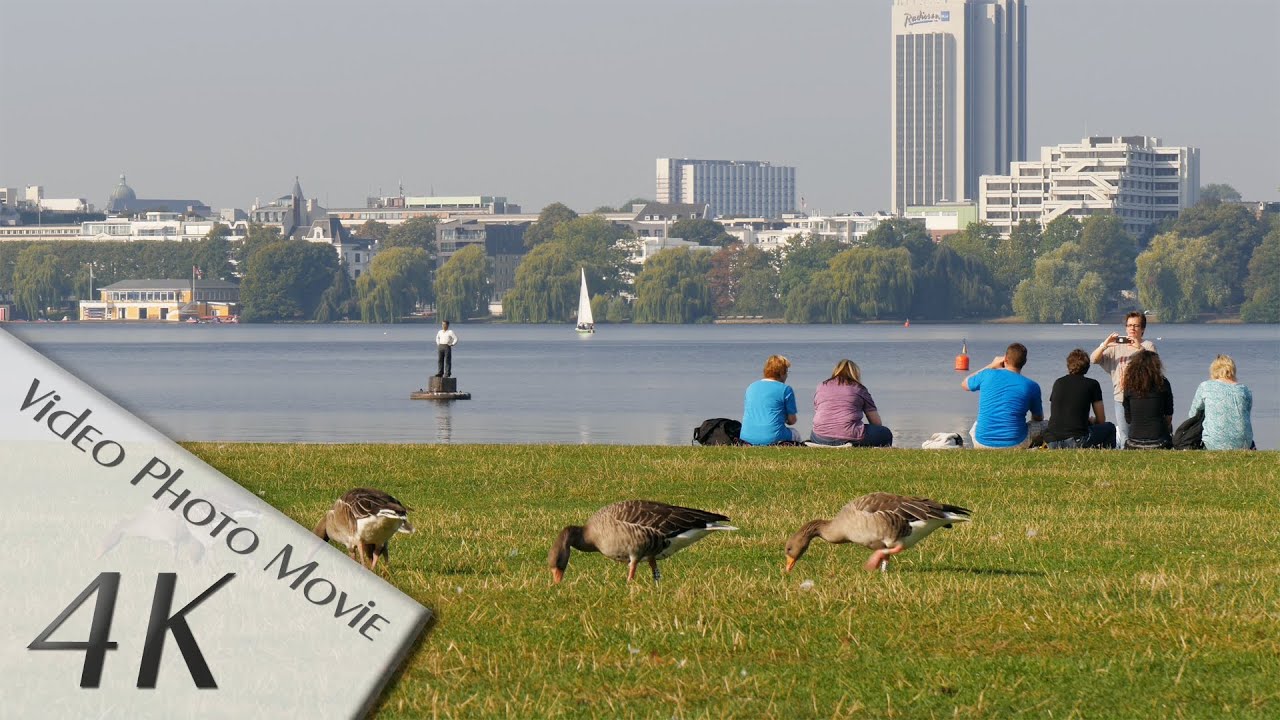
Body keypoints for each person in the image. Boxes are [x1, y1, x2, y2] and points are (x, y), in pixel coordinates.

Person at [1090, 311, 1156, 447]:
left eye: (1136, 326)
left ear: (1142, 329)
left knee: (1142, 435)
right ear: (1125, 327)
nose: (1132, 328)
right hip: (1121, 398)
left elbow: (1154, 366)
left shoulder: (1148, 346)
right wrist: (1105, 345)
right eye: (1129, 325)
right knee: (1125, 436)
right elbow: (1093, 359)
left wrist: (1139, 348)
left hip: (1143, 398)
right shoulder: (1116, 347)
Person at [961, 342, 1044, 449]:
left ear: (1005, 359)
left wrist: (991, 365)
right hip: (1016, 443)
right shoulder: (1032, 386)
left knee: (977, 424)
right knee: (1044, 425)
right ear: (1024, 362)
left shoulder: (987, 374)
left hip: (981, 443)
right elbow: (1038, 417)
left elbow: (965, 384)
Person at [809, 359, 893, 447]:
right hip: (847, 436)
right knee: (885, 432)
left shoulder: (821, 386)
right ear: (855, 373)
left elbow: (818, 410)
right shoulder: (859, 389)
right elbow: (876, 422)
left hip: (819, 437)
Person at [1044, 349, 1116, 449]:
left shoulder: (1058, 383)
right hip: (1076, 440)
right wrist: (1092, 421)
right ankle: (1105, 456)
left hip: (1052, 441)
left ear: (1068, 365)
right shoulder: (1092, 384)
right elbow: (1101, 419)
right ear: (1087, 367)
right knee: (1110, 428)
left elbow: (1062, 412)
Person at [1189, 354, 1255, 450]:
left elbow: (1193, 415)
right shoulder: (1245, 390)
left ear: (1213, 370)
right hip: (1244, 444)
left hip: (1214, 444)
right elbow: (1246, 415)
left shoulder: (1205, 386)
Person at [740, 355, 801, 446]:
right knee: (795, 433)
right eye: (787, 372)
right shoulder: (786, 389)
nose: (787, 375)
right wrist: (784, 418)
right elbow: (792, 421)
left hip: (746, 437)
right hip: (773, 438)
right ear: (782, 372)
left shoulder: (751, 387)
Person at [1122, 350, 1174, 449]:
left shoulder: (1129, 386)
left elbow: (1128, 419)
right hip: (1159, 442)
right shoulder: (1163, 383)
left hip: (1133, 442)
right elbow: (1168, 416)